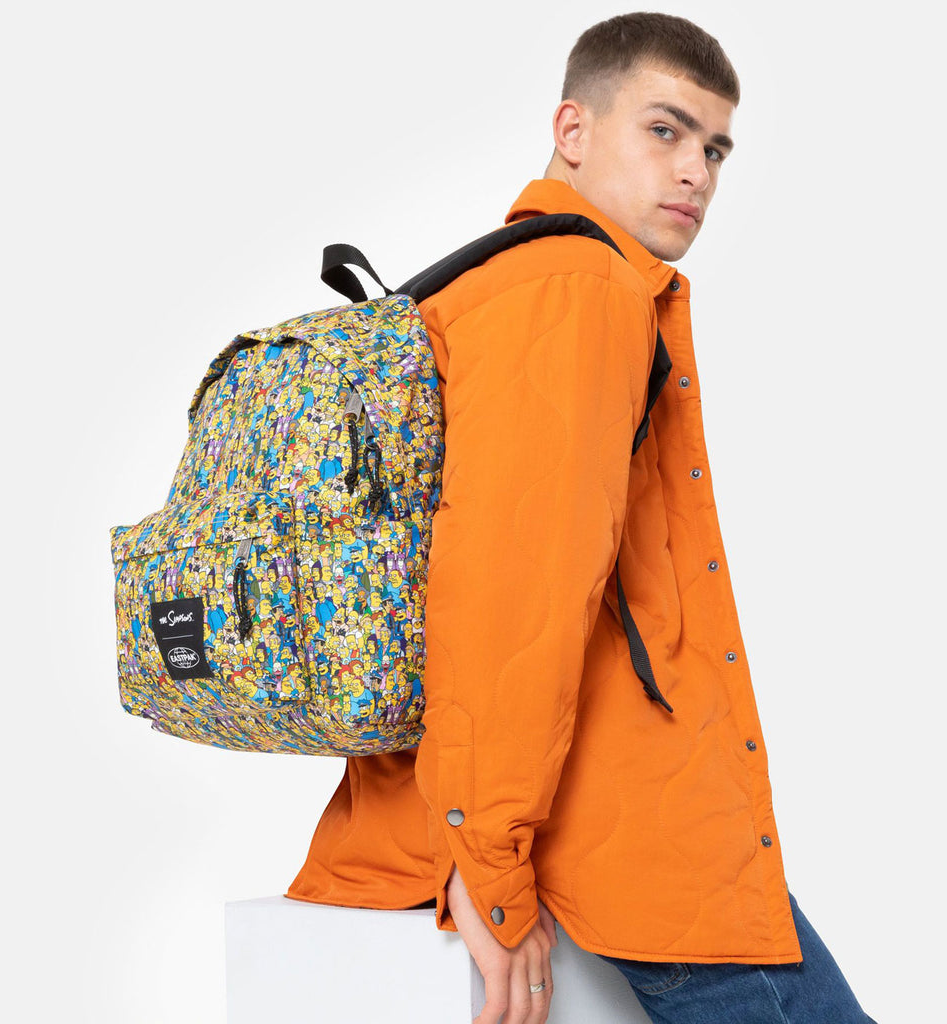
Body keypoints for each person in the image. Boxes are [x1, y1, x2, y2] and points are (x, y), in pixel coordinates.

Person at [286, 12, 876, 1024]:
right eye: (664, 129)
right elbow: (513, 594)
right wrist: (488, 861)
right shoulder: (579, 285)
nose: (695, 171)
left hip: (456, 808)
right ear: (572, 129)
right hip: (624, 836)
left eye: (715, 149)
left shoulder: (495, 279)